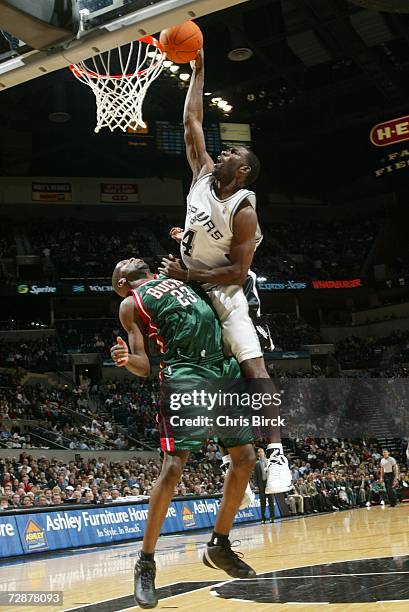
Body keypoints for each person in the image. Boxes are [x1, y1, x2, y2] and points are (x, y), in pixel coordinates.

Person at [160, 48, 291, 495]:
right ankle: (230, 456)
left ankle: (275, 456)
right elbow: (190, 124)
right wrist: (198, 70)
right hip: (192, 282)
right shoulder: (202, 175)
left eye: (233, 151)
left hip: (225, 289)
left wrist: (189, 273)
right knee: (206, 373)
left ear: (243, 171)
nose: (224, 150)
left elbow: (236, 272)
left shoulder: (243, 208)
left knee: (254, 368)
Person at [111, 258, 257, 609]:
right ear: (121, 283)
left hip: (220, 366)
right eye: (121, 265)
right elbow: (144, 365)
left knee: (246, 458)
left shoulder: (175, 275)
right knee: (174, 468)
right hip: (184, 374)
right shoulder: (130, 303)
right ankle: (145, 563)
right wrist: (125, 360)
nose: (130, 259)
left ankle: (219, 544)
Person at [254, 448, 275, 523]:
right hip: (261, 485)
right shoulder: (256, 464)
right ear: (258, 454)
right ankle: (263, 518)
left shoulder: (269, 461)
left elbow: (273, 473)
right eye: (259, 452)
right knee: (262, 502)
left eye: (261, 452)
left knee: (271, 501)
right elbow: (255, 475)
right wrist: (256, 485)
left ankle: (272, 517)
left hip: (269, 484)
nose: (260, 453)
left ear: (264, 453)